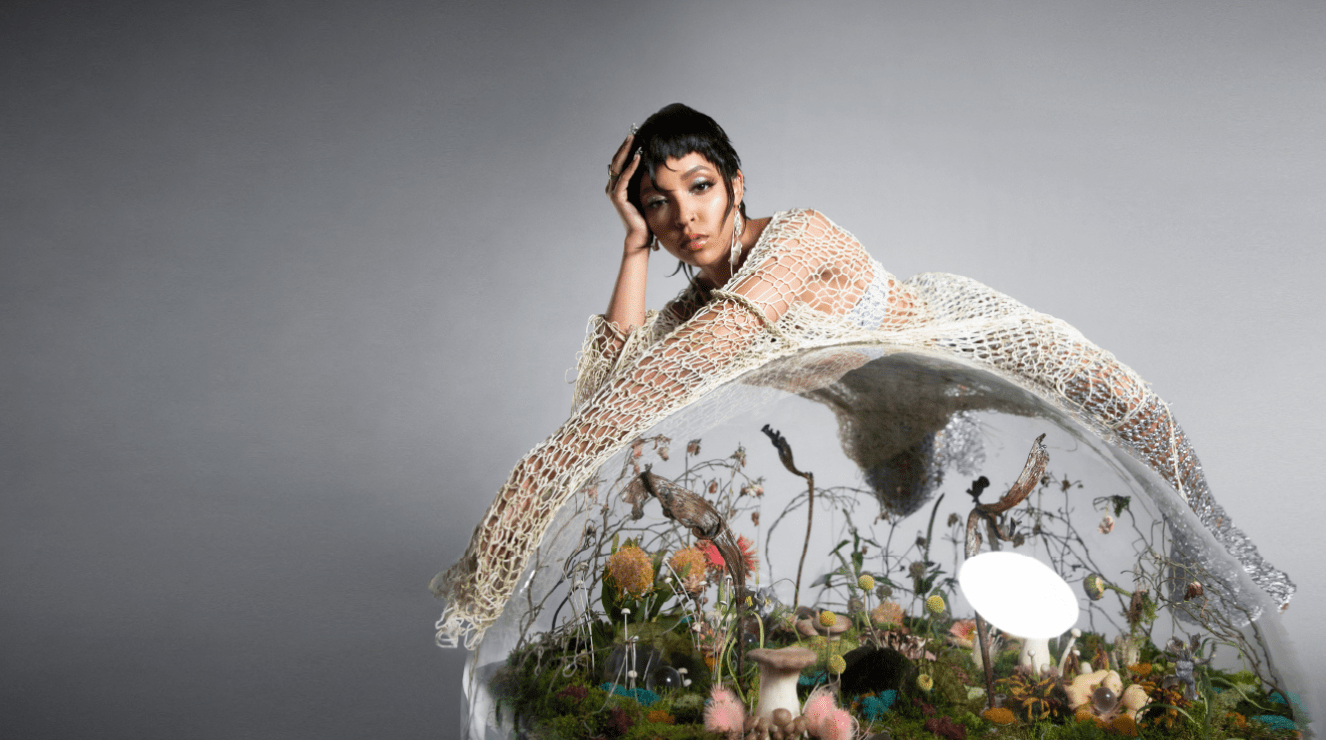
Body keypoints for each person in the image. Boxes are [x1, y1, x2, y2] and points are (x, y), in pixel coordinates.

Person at [430, 103, 1292, 651]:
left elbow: (659, 382)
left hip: (956, 351)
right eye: (657, 201)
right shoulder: (698, 297)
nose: (683, 214)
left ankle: (1217, 570)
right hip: (877, 419)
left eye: (698, 185)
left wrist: (535, 487)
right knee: (907, 507)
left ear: (736, 183)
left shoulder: (794, 241)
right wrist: (625, 247)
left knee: (1134, 408)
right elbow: (609, 388)